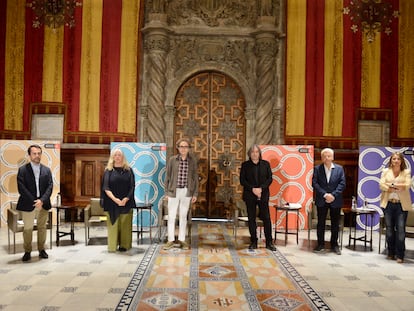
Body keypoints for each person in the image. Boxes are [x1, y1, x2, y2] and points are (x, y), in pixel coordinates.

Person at [17, 144, 53, 262]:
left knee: (42, 228)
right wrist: (35, 201)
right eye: (34, 153)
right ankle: (27, 251)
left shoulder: (46, 170)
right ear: (29, 155)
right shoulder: (22, 170)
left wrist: (42, 200)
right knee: (28, 229)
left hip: (43, 204)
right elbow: (21, 188)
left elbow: (50, 186)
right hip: (28, 204)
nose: (37, 156)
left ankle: (41, 249)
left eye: (39, 153)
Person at [240, 144, 276, 251]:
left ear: (259, 153)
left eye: (256, 152)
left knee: (266, 218)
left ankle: (269, 242)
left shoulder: (265, 164)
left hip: (263, 195)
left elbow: (269, 179)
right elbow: (242, 180)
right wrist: (253, 189)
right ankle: (253, 241)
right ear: (249, 154)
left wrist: (261, 188)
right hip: (250, 195)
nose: (254, 154)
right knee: (251, 219)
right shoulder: (245, 165)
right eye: (252, 152)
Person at [163, 138, 198, 250]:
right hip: (173, 191)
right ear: (177, 148)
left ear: (189, 149)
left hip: (186, 192)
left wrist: (195, 194)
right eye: (181, 146)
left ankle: (182, 239)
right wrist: (167, 192)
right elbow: (167, 177)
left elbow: (195, 178)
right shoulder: (172, 160)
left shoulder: (192, 161)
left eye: (185, 147)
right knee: (172, 216)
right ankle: (170, 240)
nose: (183, 149)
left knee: (183, 216)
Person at [379, 152, 412, 263]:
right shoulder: (385, 171)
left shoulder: (406, 172)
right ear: (391, 161)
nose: (396, 161)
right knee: (389, 230)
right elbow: (382, 185)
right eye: (394, 159)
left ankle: (400, 255)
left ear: (401, 161)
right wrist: (394, 187)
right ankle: (390, 252)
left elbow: (407, 185)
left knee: (401, 230)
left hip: (401, 205)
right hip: (388, 204)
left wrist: (391, 184)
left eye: (398, 159)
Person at [101, 148, 136, 253]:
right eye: (115, 155)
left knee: (125, 225)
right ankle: (112, 246)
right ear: (112, 157)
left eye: (119, 155)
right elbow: (106, 187)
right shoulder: (108, 171)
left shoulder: (129, 170)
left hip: (126, 202)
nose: (117, 157)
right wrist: (116, 200)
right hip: (112, 202)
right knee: (113, 225)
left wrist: (126, 198)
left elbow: (132, 186)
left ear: (123, 157)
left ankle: (124, 245)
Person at [312, 147, 346, 255]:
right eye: (324, 156)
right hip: (322, 199)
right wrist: (325, 194)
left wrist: (333, 195)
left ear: (333, 157)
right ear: (321, 158)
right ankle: (320, 244)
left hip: (335, 200)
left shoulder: (339, 169)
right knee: (320, 223)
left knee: (335, 224)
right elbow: (314, 183)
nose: (327, 158)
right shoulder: (317, 169)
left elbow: (342, 184)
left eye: (329, 156)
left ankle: (334, 245)